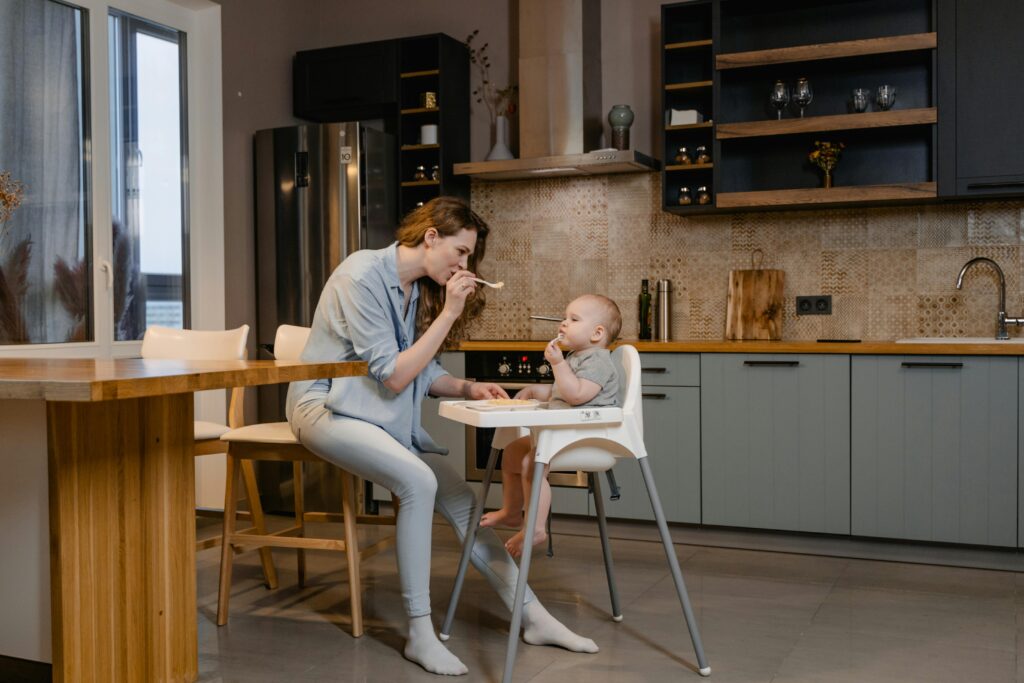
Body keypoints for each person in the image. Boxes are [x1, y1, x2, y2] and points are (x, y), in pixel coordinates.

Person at [285, 197, 599, 677]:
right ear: (431, 237)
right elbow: (393, 375)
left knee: (460, 496)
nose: (464, 265)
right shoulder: (361, 276)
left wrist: (467, 386)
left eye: (469, 257)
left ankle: (531, 615)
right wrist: (451, 312)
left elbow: (419, 369)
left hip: (370, 415)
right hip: (322, 407)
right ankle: (419, 632)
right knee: (419, 482)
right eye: (461, 251)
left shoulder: (410, 287)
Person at [480, 294, 622, 558]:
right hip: (566, 431)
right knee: (512, 451)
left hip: (587, 435)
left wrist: (557, 364)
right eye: (564, 318)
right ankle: (512, 511)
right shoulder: (577, 358)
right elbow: (561, 394)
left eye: (573, 319)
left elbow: (576, 395)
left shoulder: (599, 362)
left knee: (531, 462)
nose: (563, 324)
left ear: (597, 333)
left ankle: (535, 527)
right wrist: (536, 390)